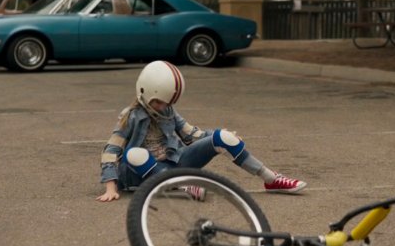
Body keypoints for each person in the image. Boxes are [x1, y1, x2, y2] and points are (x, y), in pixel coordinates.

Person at [96, 60, 306, 202]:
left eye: (166, 102)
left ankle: (271, 179)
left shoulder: (168, 111)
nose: (162, 106)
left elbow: (192, 135)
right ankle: (184, 184)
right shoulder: (129, 116)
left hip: (174, 164)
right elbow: (111, 151)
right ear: (145, 92)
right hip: (141, 174)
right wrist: (111, 188)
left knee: (223, 137)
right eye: (158, 102)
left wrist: (223, 136)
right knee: (134, 153)